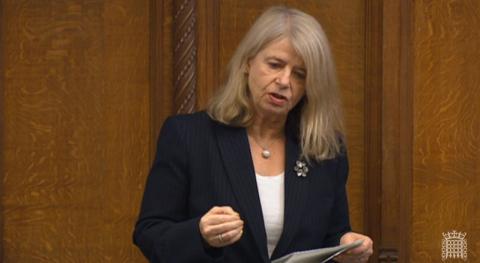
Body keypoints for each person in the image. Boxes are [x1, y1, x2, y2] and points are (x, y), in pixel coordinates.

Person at [133, 6, 373, 263]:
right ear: (248, 62)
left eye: (299, 75)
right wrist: (200, 233)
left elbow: (331, 236)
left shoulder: (325, 150)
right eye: (275, 65)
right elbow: (150, 234)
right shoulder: (189, 136)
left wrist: (345, 246)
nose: (284, 81)